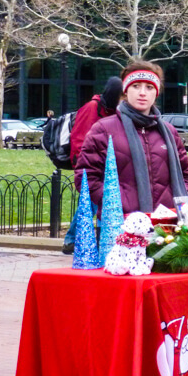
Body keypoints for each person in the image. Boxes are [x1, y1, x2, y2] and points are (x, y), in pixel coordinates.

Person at [77, 61, 188, 217]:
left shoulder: (169, 132)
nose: (142, 93)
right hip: (120, 225)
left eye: (149, 87)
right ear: (126, 90)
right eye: (136, 86)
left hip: (166, 224)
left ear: (156, 93)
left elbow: (185, 172)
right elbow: (86, 177)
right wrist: (116, 204)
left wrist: (178, 200)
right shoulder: (103, 129)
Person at [61, 78, 123, 254]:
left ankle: (75, 240)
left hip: (105, 165)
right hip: (90, 165)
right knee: (92, 203)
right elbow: (80, 139)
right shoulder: (92, 108)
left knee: (93, 203)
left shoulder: (112, 111)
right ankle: (73, 239)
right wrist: (83, 165)